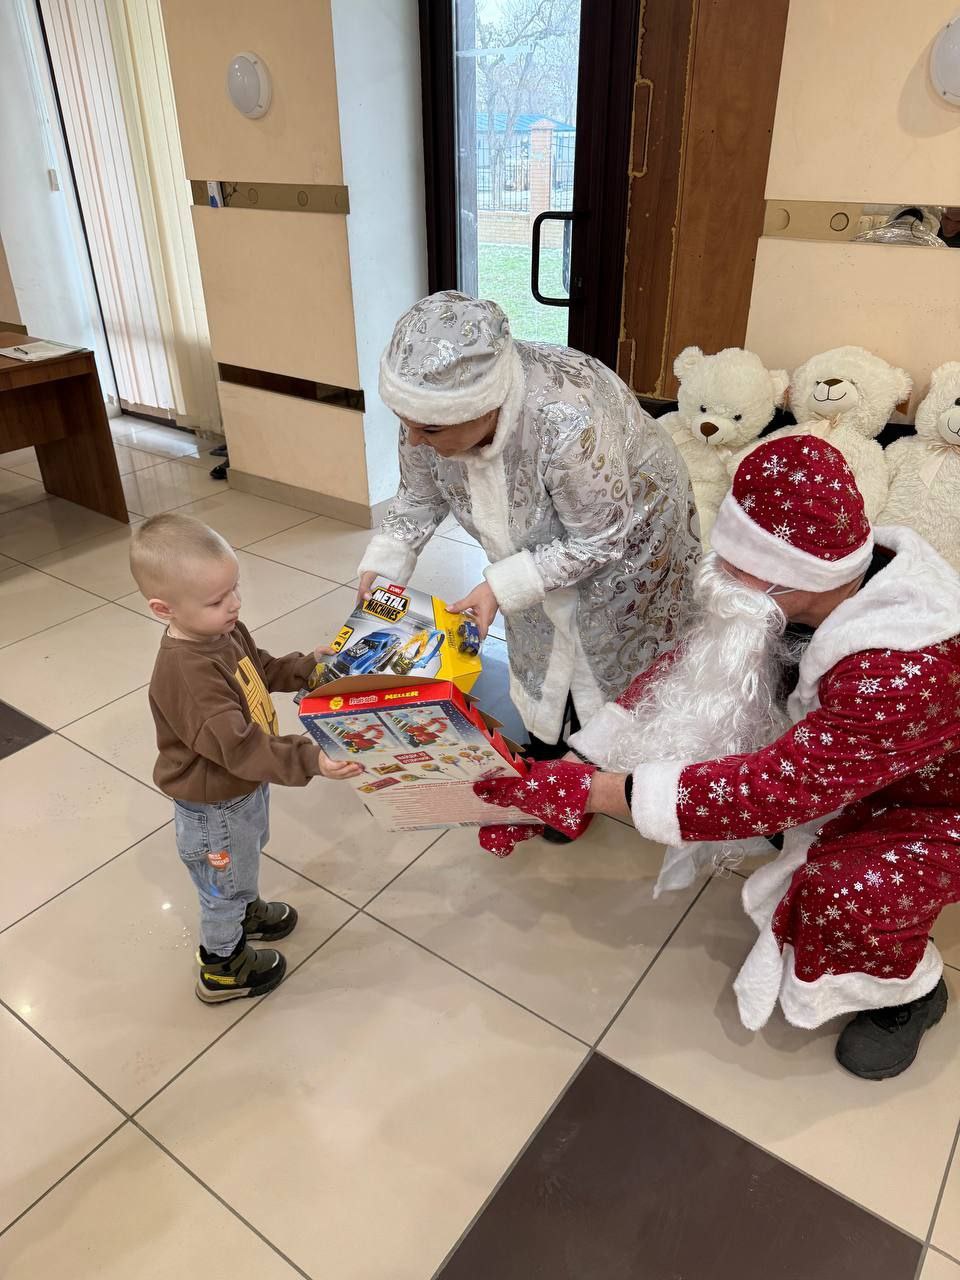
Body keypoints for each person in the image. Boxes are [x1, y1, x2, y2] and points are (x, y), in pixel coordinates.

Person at [477, 437, 960, 1079]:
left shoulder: (902, 667)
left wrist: (589, 794)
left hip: (937, 803)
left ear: (785, 569)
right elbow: (685, 676)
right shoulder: (808, 593)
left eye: (735, 563)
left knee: (846, 887)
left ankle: (912, 991)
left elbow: (776, 788)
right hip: (859, 766)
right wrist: (578, 762)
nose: (716, 574)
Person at [358, 290, 700, 790]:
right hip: (573, 533)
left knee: (604, 645)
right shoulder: (425, 417)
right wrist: (386, 563)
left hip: (631, 529)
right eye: (406, 424)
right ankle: (548, 741)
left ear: (484, 408)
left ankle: (594, 769)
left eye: (427, 429)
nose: (411, 440)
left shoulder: (568, 420)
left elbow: (600, 539)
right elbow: (417, 496)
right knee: (538, 631)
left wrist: (501, 585)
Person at [130, 514, 359, 1004]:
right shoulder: (189, 673)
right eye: (216, 600)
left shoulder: (221, 631)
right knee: (222, 887)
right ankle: (222, 966)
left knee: (241, 862)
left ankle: (246, 909)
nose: (233, 604)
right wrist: (310, 759)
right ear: (162, 608)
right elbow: (239, 747)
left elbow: (262, 668)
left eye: (234, 589)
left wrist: (306, 668)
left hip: (240, 787)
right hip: (214, 804)